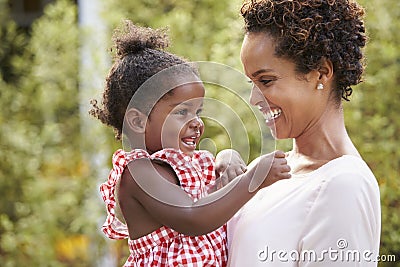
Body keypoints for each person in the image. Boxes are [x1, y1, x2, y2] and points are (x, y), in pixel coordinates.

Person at [89, 21, 291, 267]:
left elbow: (213, 201)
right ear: (138, 121)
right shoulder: (140, 173)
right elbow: (194, 218)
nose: (196, 123)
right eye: (182, 112)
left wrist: (227, 159)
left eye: (199, 112)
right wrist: (252, 179)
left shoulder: (188, 166)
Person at [227, 0, 381, 266]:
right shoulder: (273, 169)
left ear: (321, 73)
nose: (254, 99)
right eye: (251, 83)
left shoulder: (344, 185)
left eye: (266, 81)